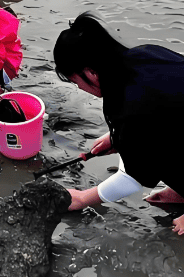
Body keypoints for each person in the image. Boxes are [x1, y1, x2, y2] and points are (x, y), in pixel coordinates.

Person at [54, 12, 184, 236]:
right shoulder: (145, 54)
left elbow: (135, 176)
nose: (80, 88)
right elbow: (167, 117)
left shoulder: (130, 108)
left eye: (76, 82)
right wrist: (117, 139)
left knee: (151, 155)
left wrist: (84, 198)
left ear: (91, 72)